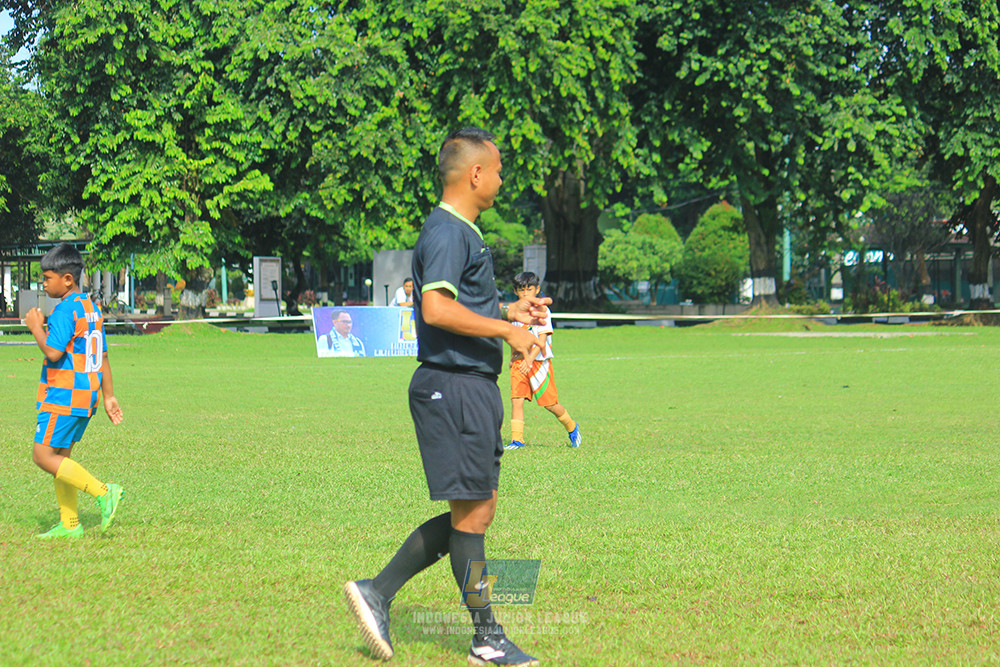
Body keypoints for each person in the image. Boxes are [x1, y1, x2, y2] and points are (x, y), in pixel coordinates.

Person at [344, 128, 547, 666]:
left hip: (466, 387)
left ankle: (380, 592)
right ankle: (484, 635)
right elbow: (434, 311)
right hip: (453, 386)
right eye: (498, 170)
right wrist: (506, 334)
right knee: (474, 513)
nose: (502, 180)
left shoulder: (462, 233)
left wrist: (507, 313)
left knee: (475, 513)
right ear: (475, 174)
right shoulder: (448, 232)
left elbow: (461, 304)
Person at [24, 243, 124, 539]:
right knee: (61, 458)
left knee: (42, 456)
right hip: (87, 395)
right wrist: (109, 395)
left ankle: (104, 492)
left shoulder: (66, 310)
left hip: (63, 396)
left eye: (47, 278)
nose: (43, 283)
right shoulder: (90, 308)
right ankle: (70, 525)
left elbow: (53, 353)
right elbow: (102, 356)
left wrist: (35, 327)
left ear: (67, 279)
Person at [505, 272, 581, 450]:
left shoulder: (543, 311)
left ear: (537, 289)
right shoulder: (514, 311)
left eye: (529, 289)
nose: (525, 294)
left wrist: (530, 359)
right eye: (521, 290)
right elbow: (512, 336)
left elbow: (542, 339)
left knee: (550, 404)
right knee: (516, 399)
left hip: (539, 363)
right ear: (515, 291)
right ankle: (517, 440)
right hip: (520, 362)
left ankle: (572, 427)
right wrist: (512, 357)